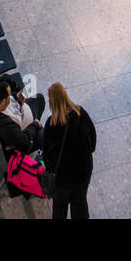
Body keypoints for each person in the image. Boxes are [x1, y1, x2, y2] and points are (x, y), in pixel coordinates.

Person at [41, 83, 96, 221]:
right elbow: (93, 142)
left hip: (62, 180)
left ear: (52, 102)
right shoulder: (80, 113)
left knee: (60, 209)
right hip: (83, 175)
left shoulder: (51, 124)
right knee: (80, 205)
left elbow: (46, 153)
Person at [0, 77, 45, 154]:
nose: (10, 94)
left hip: (24, 111)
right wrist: (35, 125)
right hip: (28, 132)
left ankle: (36, 121)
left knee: (39, 98)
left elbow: (6, 80)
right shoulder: (6, 127)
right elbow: (23, 140)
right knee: (46, 135)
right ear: (4, 101)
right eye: (9, 94)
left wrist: (16, 97)